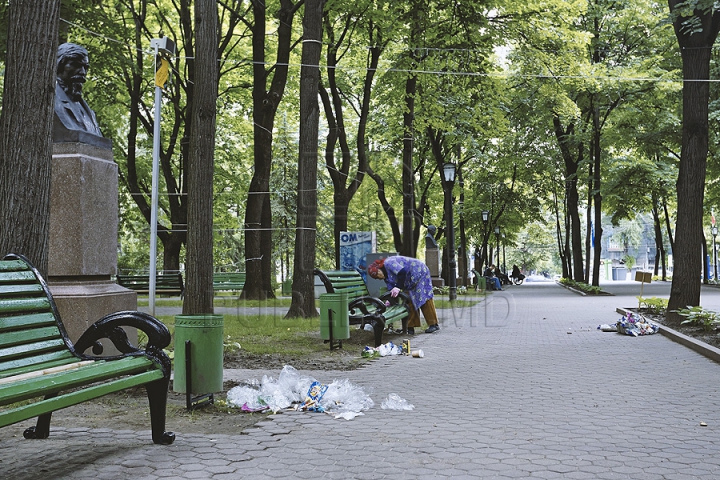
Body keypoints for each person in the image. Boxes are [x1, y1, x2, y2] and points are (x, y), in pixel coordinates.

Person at [367, 256, 440, 335]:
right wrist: (389, 300)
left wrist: (398, 287)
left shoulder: (389, 263)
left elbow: (403, 272)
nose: (378, 278)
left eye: (377, 275)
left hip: (419, 271)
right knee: (409, 300)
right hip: (409, 281)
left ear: (379, 269)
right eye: (376, 278)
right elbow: (392, 291)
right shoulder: (387, 278)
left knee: (424, 297)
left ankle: (434, 324)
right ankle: (410, 328)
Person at [54, 43, 103, 137]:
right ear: (59, 66)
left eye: (85, 67)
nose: (83, 72)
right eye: (75, 65)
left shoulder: (88, 111)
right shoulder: (51, 101)